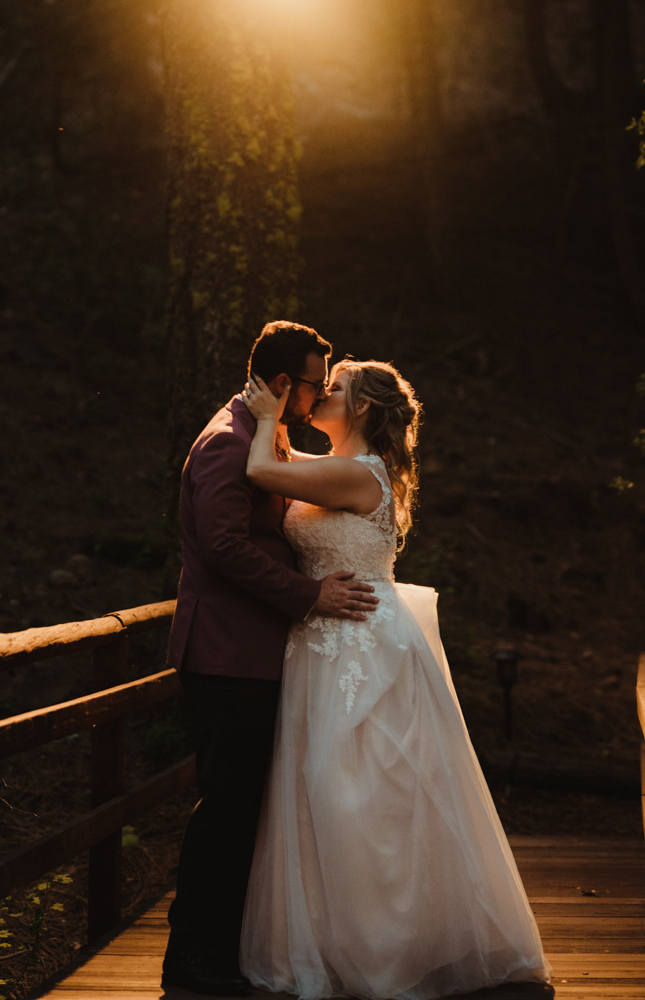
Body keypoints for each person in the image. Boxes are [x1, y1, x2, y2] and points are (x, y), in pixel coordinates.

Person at [240, 360, 552, 1000]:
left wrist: (267, 418)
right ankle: (338, 942)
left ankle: (391, 947)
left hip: (362, 648)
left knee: (365, 794)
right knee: (324, 791)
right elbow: (284, 465)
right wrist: (271, 426)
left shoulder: (358, 475)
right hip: (324, 644)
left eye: (336, 384)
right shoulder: (335, 465)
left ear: (358, 409)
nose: (323, 388)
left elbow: (263, 471)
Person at [161, 322, 379, 997]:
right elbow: (224, 546)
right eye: (317, 383)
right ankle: (194, 963)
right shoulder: (228, 444)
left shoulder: (259, 432)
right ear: (286, 384)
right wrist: (308, 594)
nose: (318, 397)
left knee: (240, 808)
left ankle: (221, 954)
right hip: (227, 656)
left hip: (251, 653)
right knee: (225, 809)